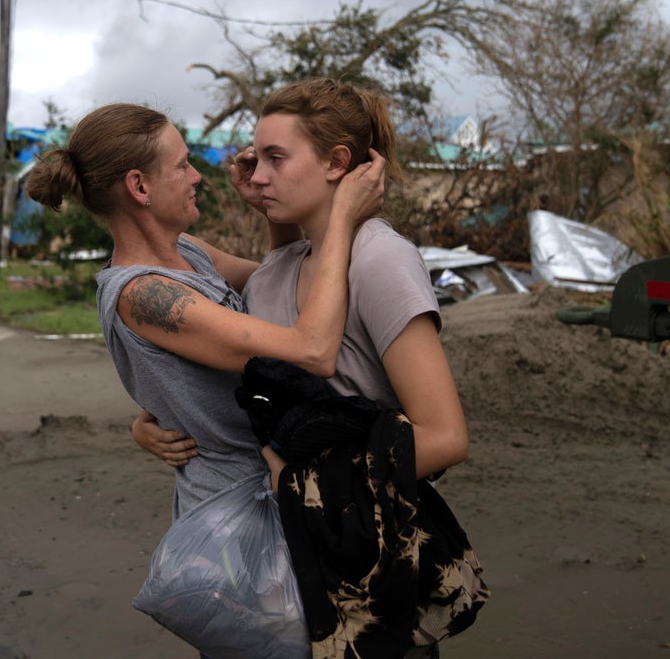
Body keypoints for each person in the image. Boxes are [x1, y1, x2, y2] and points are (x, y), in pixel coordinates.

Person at [23, 102, 386, 519]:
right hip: (236, 519)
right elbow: (312, 351)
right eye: (182, 166)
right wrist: (342, 215)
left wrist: (271, 210)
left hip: (273, 490)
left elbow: (278, 290)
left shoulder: (188, 252)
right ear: (139, 187)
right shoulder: (141, 294)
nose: (197, 176)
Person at [137, 77, 469, 484]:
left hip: (367, 538)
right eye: (255, 159)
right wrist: (154, 418)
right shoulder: (279, 267)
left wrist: (306, 484)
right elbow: (259, 382)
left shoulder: (380, 259)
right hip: (285, 537)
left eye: (276, 158)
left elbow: (446, 438)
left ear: (335, 162)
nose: (257, 177)